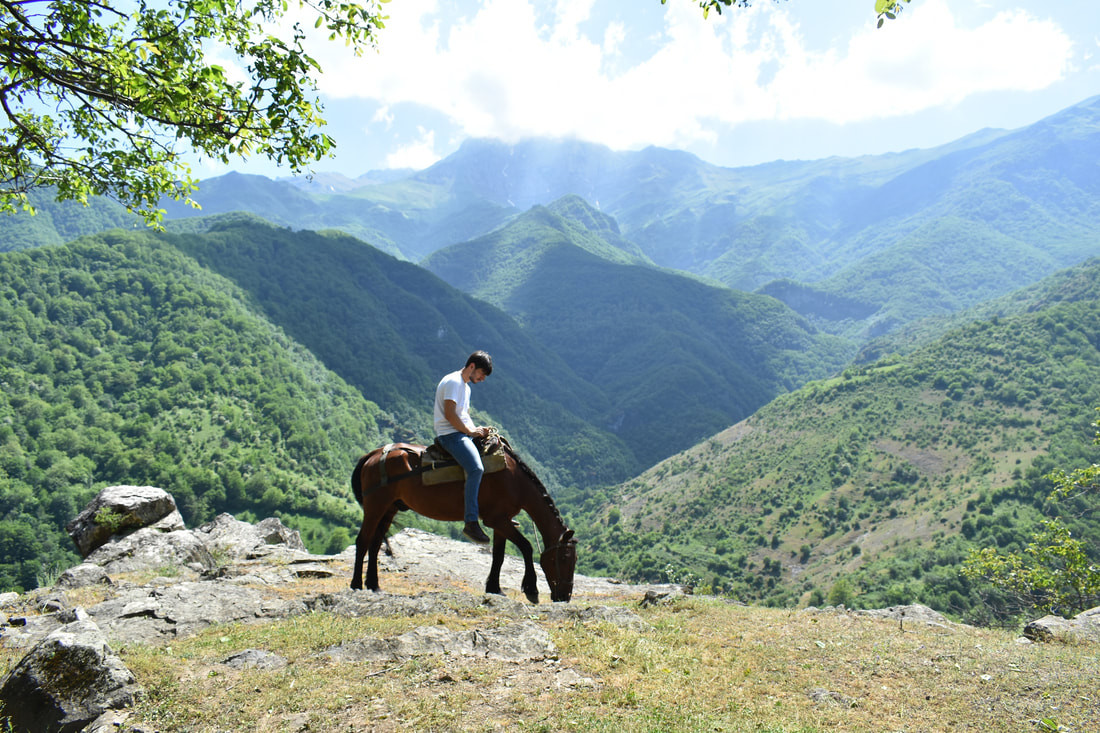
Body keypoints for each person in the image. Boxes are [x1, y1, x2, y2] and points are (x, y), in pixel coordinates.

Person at [433, 350, 495, 544]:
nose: (482, 379)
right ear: (471, 367)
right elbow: (451, 416)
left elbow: (462, 415)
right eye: (481, 374)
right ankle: (470, 522)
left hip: (460, 432)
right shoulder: (453, 382)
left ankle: (495, 510)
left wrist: (476, 429)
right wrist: (470, 432)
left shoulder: (466, 387)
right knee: (476, 468)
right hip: (449, 435)